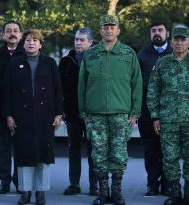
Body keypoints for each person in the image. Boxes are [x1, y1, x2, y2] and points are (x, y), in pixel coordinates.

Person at [78, 15, 142, 205]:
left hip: (120, 113)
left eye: (112, 27)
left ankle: (117, 191)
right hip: (95, 114)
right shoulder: (90, 54)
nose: (109, 30)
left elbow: (137, 84)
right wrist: (83, 112)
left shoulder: (128, 54)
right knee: (98, 155)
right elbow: (82, 85)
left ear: (118, 30)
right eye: (105, 27)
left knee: (119, 154)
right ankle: (103, 192)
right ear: (100, 31)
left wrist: (135, 112)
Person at [4, 29, 63, 205]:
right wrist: (8, 115)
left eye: (35, 40)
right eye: (28, 40)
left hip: (45, 116)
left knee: (44, 156)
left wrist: (59, 113)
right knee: (24, 156)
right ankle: (25, 192)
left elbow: (58, 90)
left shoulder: (50, 63)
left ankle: (41, 192)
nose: (31, 43)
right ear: (24, 43)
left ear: (40, 44)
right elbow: (6, 92)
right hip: (22, 116)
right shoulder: (14, 64)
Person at [147, 25, 189, 205]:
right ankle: (175, 194)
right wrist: (155, 116)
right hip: (168, 120)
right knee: (169, 158)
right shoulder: (162, 63)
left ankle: (188, 194)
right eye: (176, 40)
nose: (179, 43)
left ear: (188, 42)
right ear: (171, 42)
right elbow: (153, 91)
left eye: (183, 39)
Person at [59, 28, 98, 196]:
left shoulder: (98, 60)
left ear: (90, 42)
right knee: (73, 149)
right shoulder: (66, 61)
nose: (78, 43)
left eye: (82, 40)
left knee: (93, 150)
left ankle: (94, 186)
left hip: (93, 114)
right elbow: (59, 88)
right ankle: (74, 184)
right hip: (73, 113)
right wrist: (62, 110)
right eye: (76, 39)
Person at [137, 20, 172, 196]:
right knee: (150, 151)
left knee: (168, 150)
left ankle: (167, 185)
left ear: (168, 34)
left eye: (160, 30)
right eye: (153, 31)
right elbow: (134, 84)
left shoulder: (176, 53)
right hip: (146, 112)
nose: (156, 33)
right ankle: (152, 184)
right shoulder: (143, 55)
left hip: (170, 113)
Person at [0, 20, 24, 194]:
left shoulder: (28, 52)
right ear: (3, 34)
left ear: (20, 34)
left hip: (23, 109)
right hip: (2, 109)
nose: (12, 33)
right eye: (8, 31)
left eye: (15, 30)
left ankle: (20, 181)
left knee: (21, 147)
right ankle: (4, 182)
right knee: (3, 148)